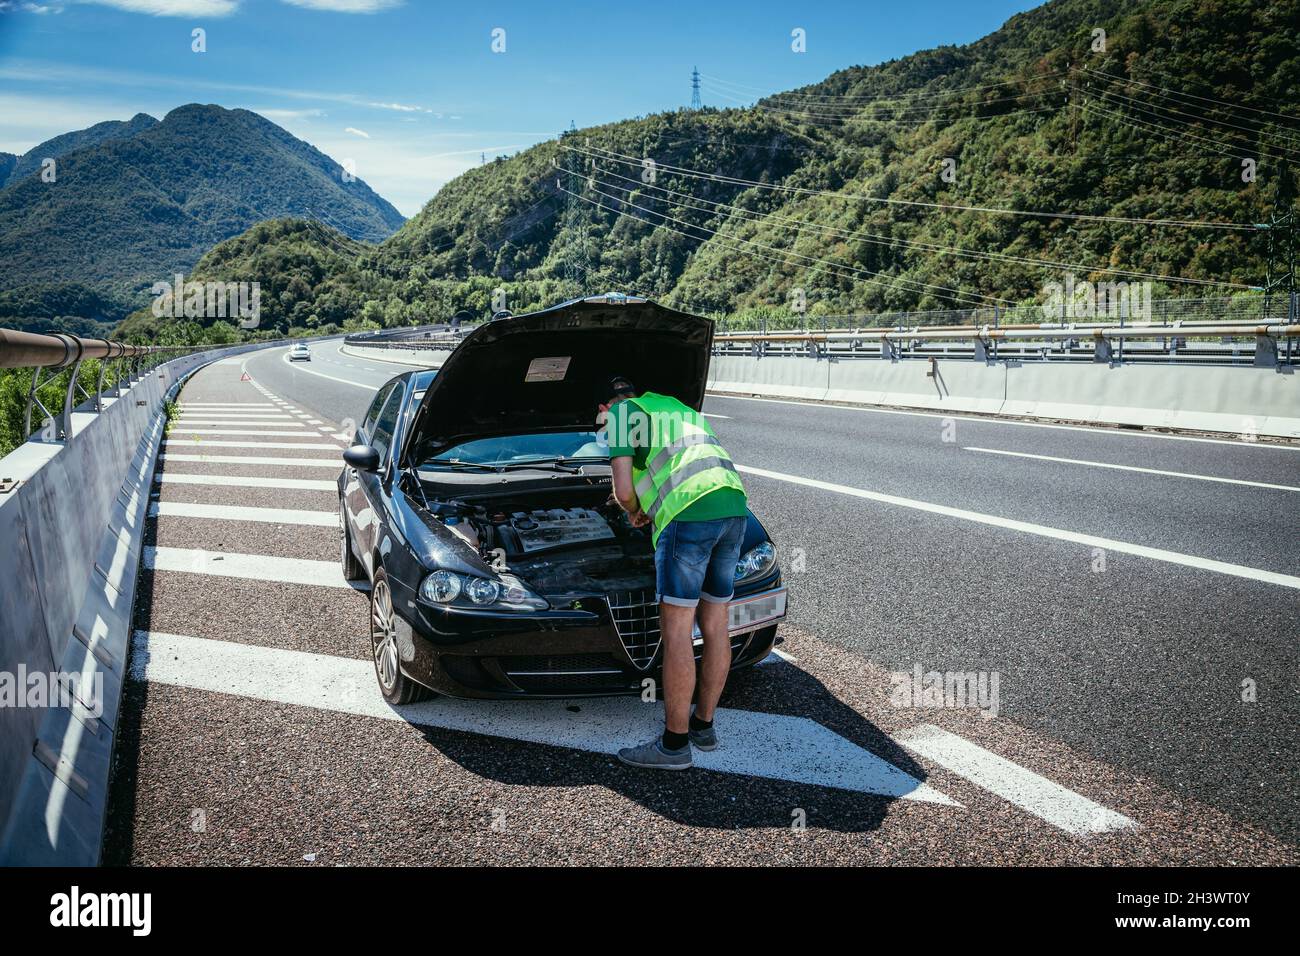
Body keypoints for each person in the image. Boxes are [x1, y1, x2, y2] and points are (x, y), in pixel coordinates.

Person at [595, 374, 749, 770]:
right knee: (716, 624)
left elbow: (625, 491)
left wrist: (633, 512)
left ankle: (674, 745)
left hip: (689, 516)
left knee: (677, 630)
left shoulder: (620, 416)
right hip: (734, 508)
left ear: (603, 407)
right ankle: (704, 726)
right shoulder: (675, 406)